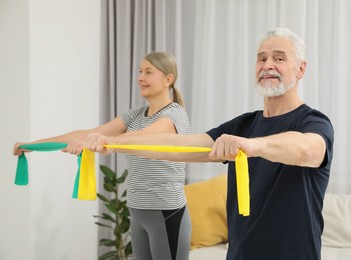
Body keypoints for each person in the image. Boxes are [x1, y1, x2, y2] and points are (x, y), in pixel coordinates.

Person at [85, 28, 334, 260]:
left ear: (301, 69)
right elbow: (179, 145)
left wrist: (251, 146)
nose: (267, 65)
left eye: (279, 58)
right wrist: (115, 143)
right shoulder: (243, 125)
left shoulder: (313, 122)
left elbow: (305, 149)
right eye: (261, 58)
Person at [13, 52, 192, 260]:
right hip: (137, 213)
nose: (140, 77)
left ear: (168, 79)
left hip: (166, 213)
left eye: (148, 72)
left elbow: (145, 137)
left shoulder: (175, 114)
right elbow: (87, 133)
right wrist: (32, 145)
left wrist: (105, 141)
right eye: (140, 71)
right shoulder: (135, 115)